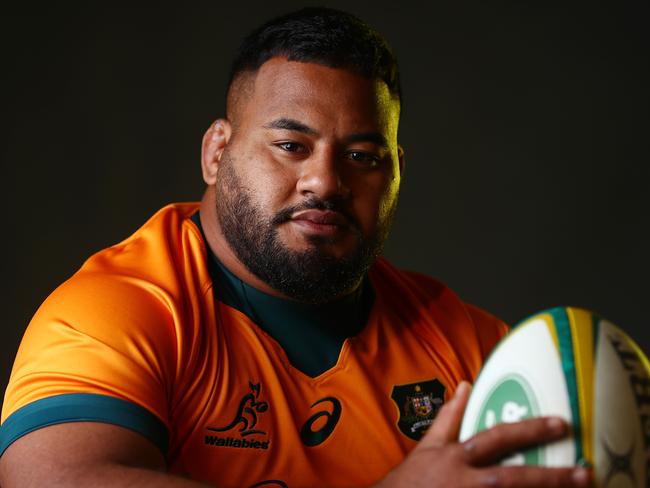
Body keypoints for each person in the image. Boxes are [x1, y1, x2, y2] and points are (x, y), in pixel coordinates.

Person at [0, 7, 590, 487]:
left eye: (362, 157)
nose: (326, 181)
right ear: (216, 152)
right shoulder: (122, 309)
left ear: (397, 173)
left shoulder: (466, 346)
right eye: (290, 145)